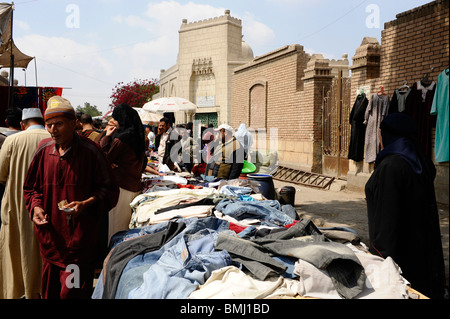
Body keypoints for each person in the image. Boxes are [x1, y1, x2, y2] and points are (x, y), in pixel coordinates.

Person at [23, 96, 119, 299]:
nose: (52, 130)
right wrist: (36, 208)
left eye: (58, 124)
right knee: (50, 294)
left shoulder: (91, 151)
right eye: (49, 124)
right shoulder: (43, 150)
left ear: (73, 123)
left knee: (70, 294)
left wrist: (87, 203)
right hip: (50, 243)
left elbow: (110, 190)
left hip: (77, 247)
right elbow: (31, 189)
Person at [365, 112, 446, 299]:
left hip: (399, 259)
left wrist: (381, 259)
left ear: (388, 135)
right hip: (422, 252)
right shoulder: (420, 162)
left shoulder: (391, 167)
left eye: (381, 133)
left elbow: (387, 220)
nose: (379, 138)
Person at [0, 108, 50, 299]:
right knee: (42, 253)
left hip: (16, 206)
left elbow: (1, 174)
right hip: (45, 207)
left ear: (22, 124)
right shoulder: (53, 138)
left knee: (15, 252)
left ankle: (16, 292)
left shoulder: (12, 140)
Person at [99, 103, 147, 242]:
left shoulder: (121, 138)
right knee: (128, 226)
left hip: (121, 187)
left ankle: (113, 256)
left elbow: (104, 158)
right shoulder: (139, 136)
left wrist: (107, 136)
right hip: (135, 186)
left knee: (116, 227)